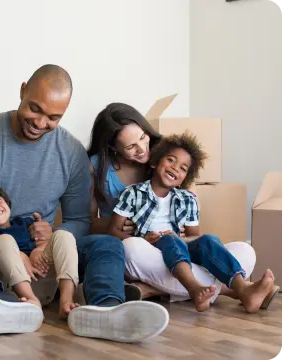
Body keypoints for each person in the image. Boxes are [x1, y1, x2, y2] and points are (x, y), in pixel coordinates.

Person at [0, 65, 168, 342]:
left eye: (53, 117)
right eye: (34, 109)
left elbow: (79, 220)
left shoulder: (72, 153)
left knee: (106, 244)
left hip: (44, 260)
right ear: (23, 90)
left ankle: (105, 310)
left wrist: (45, 243)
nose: (39, 123)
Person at [87, 102, 260, 305]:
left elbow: (193, 228)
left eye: (143, 137)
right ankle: (226, 290)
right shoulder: (108, 175)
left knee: (244, 251)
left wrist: (183, 236)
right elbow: (89, 222)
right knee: (133, 247)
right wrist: (127, 228)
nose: (143, 149)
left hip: (178, 248)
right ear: (113, 147)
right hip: (140, 250)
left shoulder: (170, 155)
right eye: (131, 146)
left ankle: (152, 289)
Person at [109, 132, 279, 313]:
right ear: (154, 162)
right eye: (171, 160)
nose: (175, 168)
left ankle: (240, 287)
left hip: (181, 254)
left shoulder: (187, 199)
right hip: (150, 252)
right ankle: (206, 289)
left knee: (229, 246)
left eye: (183, 168)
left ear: (186, 178)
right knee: (136, 245)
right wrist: (143, 239)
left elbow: (193, 238)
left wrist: (180, 239)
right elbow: (113, 231)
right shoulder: (133, 193)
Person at [0, 182, 79, 319]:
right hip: (13, 289)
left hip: (43, 280)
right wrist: (20, 256)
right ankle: (31, 300)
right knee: (3, 240)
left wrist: (38, 250)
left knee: (63, 235)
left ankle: (66, 301)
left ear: (7, 203)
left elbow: (45, 242)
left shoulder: (24, 222)